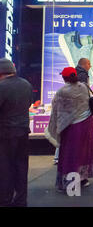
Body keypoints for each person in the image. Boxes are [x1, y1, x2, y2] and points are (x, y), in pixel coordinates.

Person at [47, 67, 93, 192]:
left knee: (70, 154)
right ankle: (83, 179)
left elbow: (58, 110)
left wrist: (56, 126)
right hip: (87, 124)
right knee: (83, 153)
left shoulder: (62, 92)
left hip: (73, 127)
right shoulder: (84, 87)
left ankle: (70, 185)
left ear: (64, 78)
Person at [0, 58, 33, 207]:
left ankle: (5, 200)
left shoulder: (2, 86)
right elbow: (28, 104)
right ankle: (21, 200)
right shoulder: (26, 84)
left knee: (5, 167)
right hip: (23, 131)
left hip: (5, 132)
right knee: (21, 166)